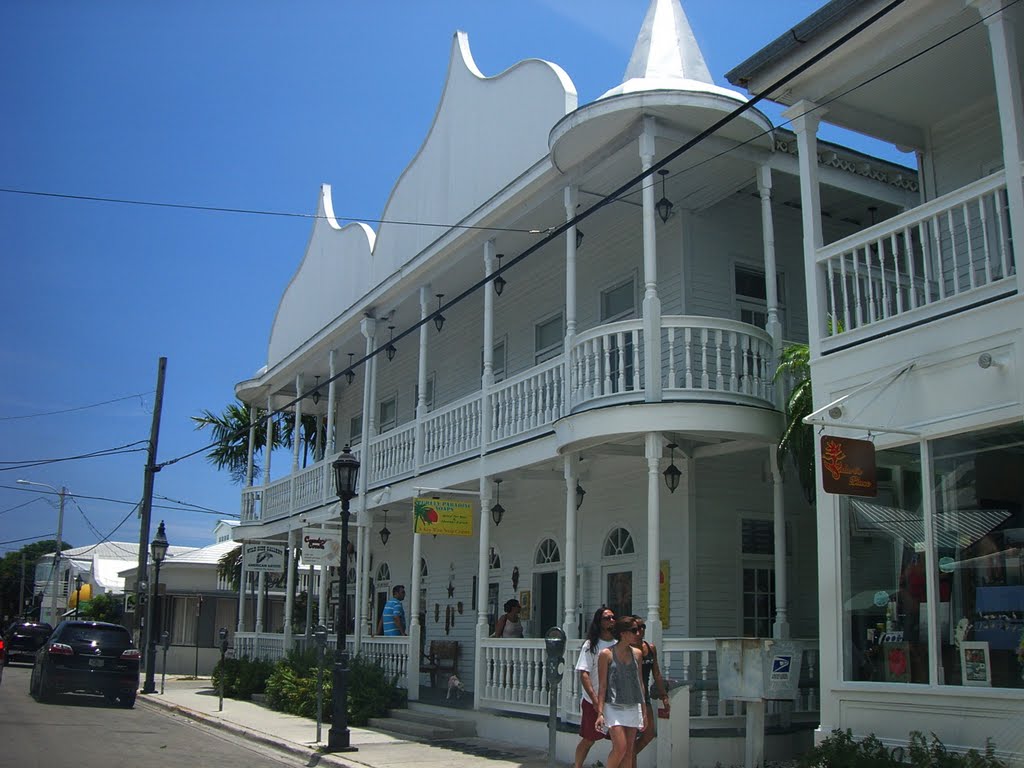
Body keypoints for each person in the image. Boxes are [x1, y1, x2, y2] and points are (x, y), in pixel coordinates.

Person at [595, 617, 646, 768]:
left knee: (629, 751)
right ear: (623, 633)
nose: (638, 633)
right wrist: (600, 713)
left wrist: (643, 711)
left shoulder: (637, 653)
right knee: (620, 747)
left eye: (639, 629)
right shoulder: (606, 654)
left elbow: (640, 683)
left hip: (632, 704)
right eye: (634, 630)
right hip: (613, 706)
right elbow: (603, 685)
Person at [574, 607, 616, 768]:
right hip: (593, 700)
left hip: (613, 700)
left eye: (613, 617)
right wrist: (594, 699)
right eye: (607, 618)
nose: (611, 620)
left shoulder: (617, 644)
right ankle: (577, 765)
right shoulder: (591, 645)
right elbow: (584, 674)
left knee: (618, 739)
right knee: (589, 739)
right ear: (599, 622)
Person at [630, 616, 669, 766]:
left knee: (649, 734)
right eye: (635, 628)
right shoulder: (628, 649)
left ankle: (626, 758)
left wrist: (664, 695)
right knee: (632, 738)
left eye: (642, 627)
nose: (640, 631)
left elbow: (657, 673)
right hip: (631, 697)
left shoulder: (650, 648)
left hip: (644, 697)